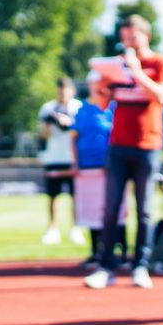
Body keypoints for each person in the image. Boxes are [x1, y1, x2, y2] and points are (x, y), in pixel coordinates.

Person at [87, 15, 163, 289]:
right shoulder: (116, 64)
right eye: (125, 39)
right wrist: (99, 88)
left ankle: (140, 266)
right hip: (118, 145)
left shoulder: (160, 63)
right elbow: (102, 104)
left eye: (133, 38)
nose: (129, 44)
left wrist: (136, 73)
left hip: (148, 145)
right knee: (111, 208)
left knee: (144, 209)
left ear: (145, 36)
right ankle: (105, 266)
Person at [72, 77, 115, 268]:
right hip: (87, 167)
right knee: (92, 210)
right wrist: (75, 163)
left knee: (112, 209)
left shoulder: (112, 108)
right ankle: (95, 251)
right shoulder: (82, 110)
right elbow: (74, 138)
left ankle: (114, 251)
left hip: (109, 167)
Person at [38, 78, 83, 244]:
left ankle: (76, 228)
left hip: (73, 157)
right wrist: (50, 123)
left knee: (76, 196)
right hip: (54, 157)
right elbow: (43, 135)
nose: (62, 94)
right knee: (52, 195)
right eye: (59, 91)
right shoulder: (48, 108)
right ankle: (53, 229)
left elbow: (80, 132)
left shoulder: (78, 107)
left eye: (65, 90)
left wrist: (68, 124)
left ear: (72, 91)